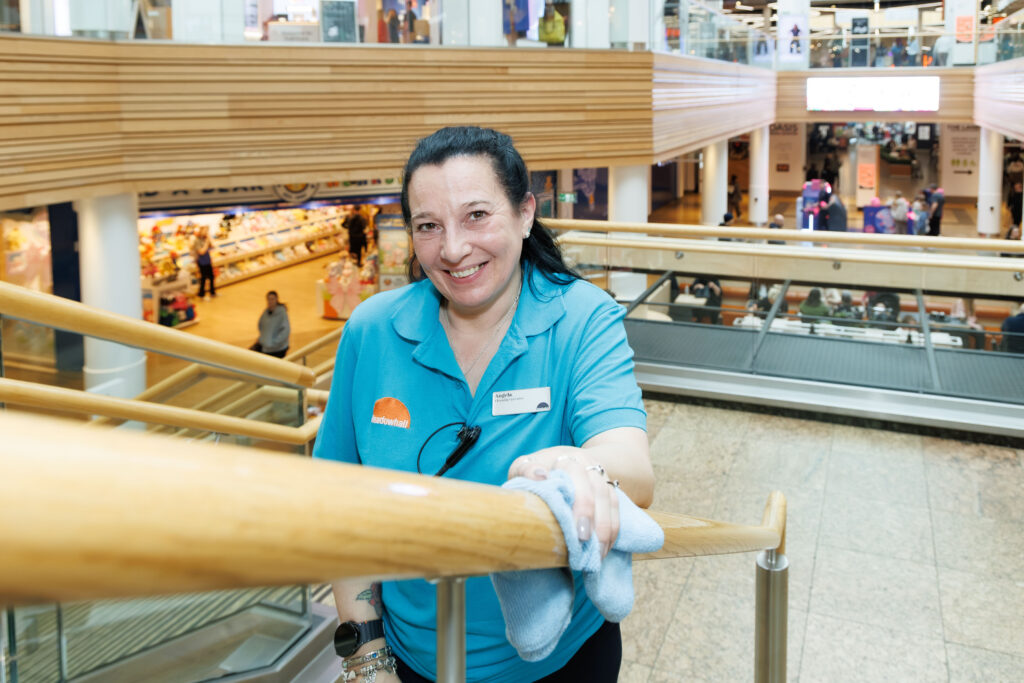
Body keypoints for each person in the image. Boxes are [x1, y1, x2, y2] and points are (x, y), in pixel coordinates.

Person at [313, 126, 654, 683]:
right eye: (429, 226)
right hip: (411, 658)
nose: (452, 249)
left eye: (476, 216)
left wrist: (581, 466)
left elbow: (630, 464)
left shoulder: (582, 318)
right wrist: (367, 656)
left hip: (562, 660)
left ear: (524, 214)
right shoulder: (372, 331)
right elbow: (334, 499)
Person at [251, 290, 290, 358]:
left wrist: (274, 343)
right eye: (268, 299)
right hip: (266, 347)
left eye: (272, 299)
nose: (270, 301)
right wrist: (262, 339)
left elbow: (285, 331)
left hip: (277, 349)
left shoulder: (282, 313)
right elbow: (260, 325)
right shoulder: (265, 313)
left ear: (276, 299)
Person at [192, 225, 216, 300]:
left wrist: (209, 239)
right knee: (203, 278)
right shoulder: (197, 240)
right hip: (201, 262)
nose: (206, 232)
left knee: (211, 277)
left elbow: (212, 246)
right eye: (205, 231)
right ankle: (201, 294)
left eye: (207, 231)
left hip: (207, 260)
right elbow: (201, 252)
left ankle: (212, 292)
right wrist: (206, 242)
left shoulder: (205, 239)